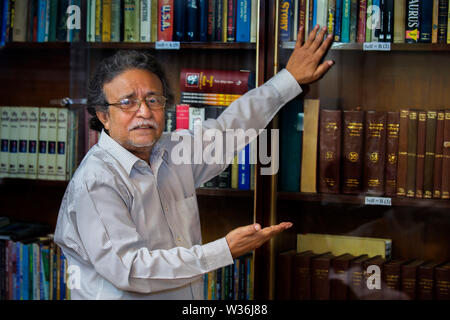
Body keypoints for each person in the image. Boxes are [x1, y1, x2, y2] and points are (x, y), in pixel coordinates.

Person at [54, 26, 334, 299]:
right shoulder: (96, 181)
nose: (144, 112)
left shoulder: (172, 152)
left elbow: (232, 127)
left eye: (153, 100)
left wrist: (290, 79)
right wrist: (223, 251)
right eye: (127, 102)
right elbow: (130, 270)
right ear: (103, 115)